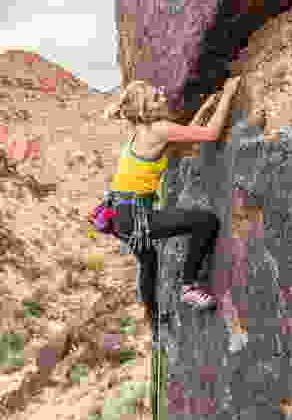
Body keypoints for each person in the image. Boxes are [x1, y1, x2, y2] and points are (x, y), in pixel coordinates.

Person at [101, 77, 242, 324]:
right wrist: (228, 95)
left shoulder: (141, 131)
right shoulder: (159, 128)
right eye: (156, 98)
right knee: (205, 222)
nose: (163, 97)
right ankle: (188, 287)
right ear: (147, 111)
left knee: (148, 261)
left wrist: (205, 109)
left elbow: (182, 144)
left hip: (119, 214)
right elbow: (210, 135)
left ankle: (153, 318)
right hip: (135, 216)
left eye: (158, 92)